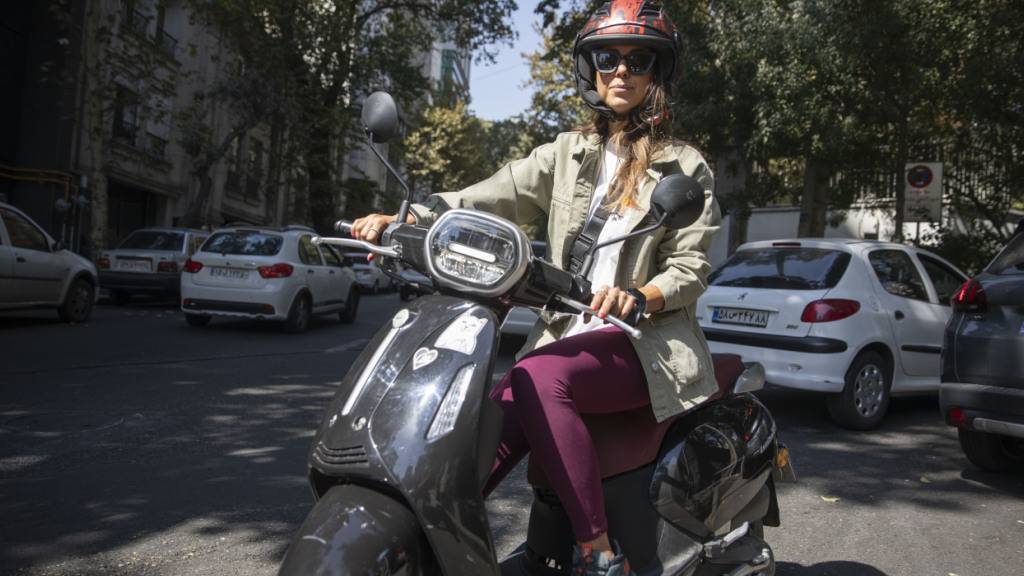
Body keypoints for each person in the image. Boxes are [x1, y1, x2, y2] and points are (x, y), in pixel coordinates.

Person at [352, 2, 720, 574]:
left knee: (536, 378)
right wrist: (414, 216)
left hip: (640, 340)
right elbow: (490, 193)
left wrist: (637, 295)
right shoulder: (565, 153)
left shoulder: (685, 167)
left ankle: (599, 552)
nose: (621, 71)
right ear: (590, 69)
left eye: (638, 59)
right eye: (607, 57)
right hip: (565, 334)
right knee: (469, 435)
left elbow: (690, 268)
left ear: (658, 73)